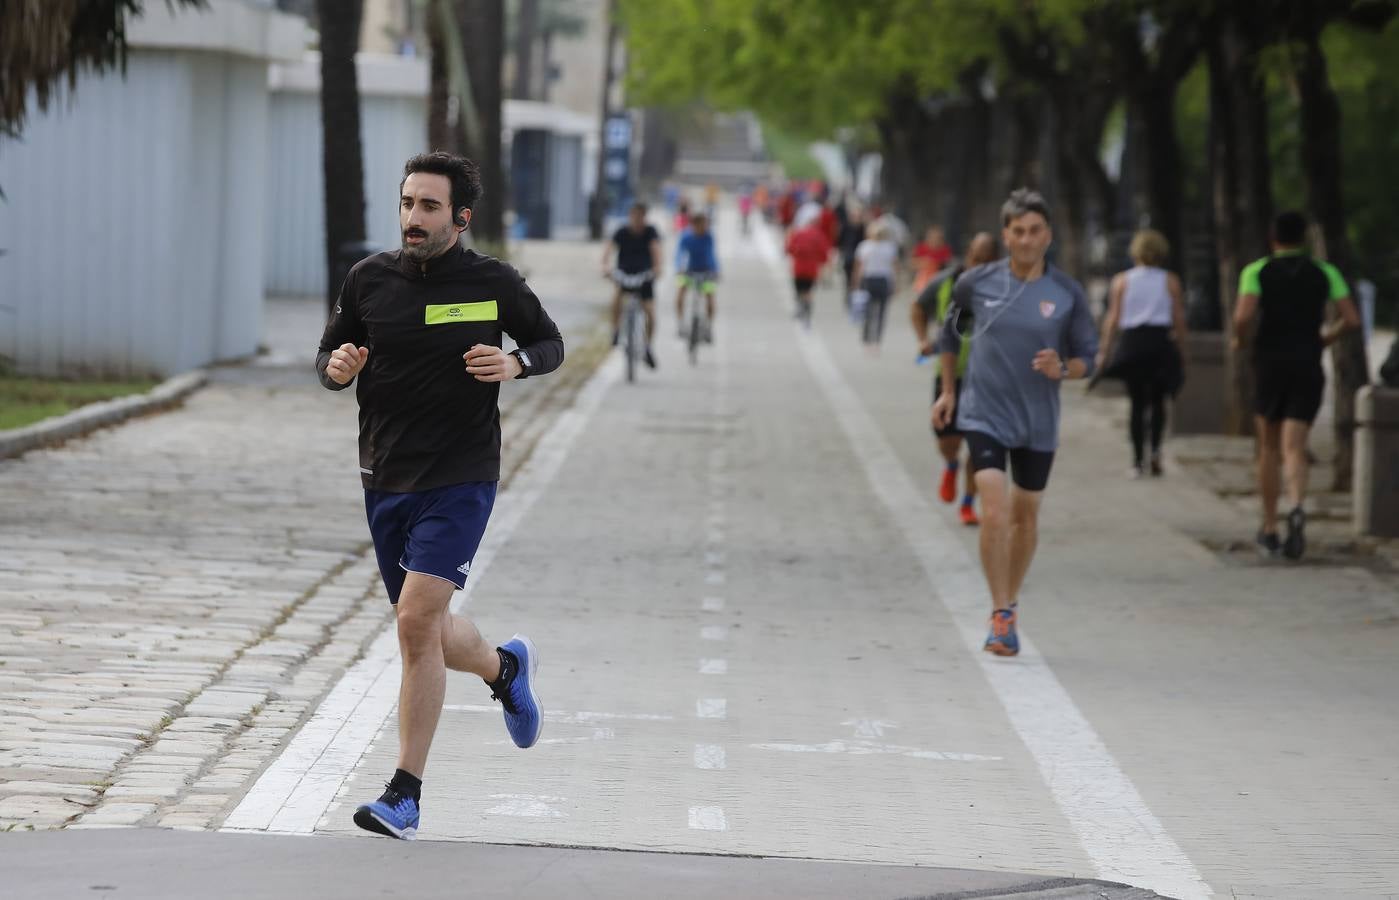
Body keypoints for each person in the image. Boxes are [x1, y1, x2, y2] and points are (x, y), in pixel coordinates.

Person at [317, 151, 562, 839]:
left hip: (460, 475)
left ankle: (405, 794)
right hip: (385, 475)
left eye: (428, 206)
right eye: (406, 204)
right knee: (423, 623)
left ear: (459, 216)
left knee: (414, 623)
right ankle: (504, 667)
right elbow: (330, 355)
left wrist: (513, 362)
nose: (412, 218)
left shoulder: (492, 284)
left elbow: (548, 342)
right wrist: (337, 369)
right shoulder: (369, 280)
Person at [932, 189, 1097, 657]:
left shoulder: (1066, 293)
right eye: (1018, 231)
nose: (1026, 240)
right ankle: (1000, 612)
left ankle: (1012, 600)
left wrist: (1062, 369)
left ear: (1049, 235)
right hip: (984, 412)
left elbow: (1089, 357)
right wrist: (948, 391)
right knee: (995, 511)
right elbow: (950, 333)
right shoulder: (974, 283)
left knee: (1025, 519)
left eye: (1035, 231)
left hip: (1038, 421)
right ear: (1005, 235)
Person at [1232, 210, 1360, 560]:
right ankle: (1298, 505)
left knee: (1269, 447)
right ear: (1303, 239)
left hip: (1270, 363)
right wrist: (1324, 339)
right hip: (1307, 362)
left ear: (1273, 238)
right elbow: (1351, 319)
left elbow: (1243, 316)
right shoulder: (1325, 272)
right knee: (1296, 446)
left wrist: (1241, 341)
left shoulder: (1257, 271)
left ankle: (1270, 525)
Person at [912, 232, 998, 526]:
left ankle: (968, 502)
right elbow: (918, 307)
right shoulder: (946, 281)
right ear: (968, 255)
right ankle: (950, 465)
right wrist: (923, 339)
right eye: (977, 257)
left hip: (987, 378)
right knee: (949, 440)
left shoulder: (1004, 288)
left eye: (988, 260)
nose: (981, 264)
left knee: (978, 444)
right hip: (950, 374)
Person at [1096, 229, 1187, 478]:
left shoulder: (1122, 280)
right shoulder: (1170, 280)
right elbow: (1178, 318)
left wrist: (1104, 350)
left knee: (1136, 403)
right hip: (1159, 341)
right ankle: (1156, 451)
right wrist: (1181, 347)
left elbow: (1113, 317)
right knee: (1158, 401)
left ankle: (1137, 461)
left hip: (1133, 343)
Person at [602, 201, 662, 368]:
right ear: (630, 216)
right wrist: (605, 266)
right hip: (625, 274)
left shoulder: (650, 232)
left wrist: (657, 268)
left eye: (640, 216)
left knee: (650, 312)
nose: (637, 219)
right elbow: (609, 249)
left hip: (644, 276)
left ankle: (648, 346)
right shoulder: (622, 231)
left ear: (644, 217)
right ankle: (615, 331)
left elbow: (656, 251)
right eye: (634, 215)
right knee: (616, 300)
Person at [851, 222, 901, 349]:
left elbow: (859, 267)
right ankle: (876, 341)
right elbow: (895, 267)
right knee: (879, 312)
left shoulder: (865, 246)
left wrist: (856, 282)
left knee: (870, 311)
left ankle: (868, 339)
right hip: (881, 280)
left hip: (870, 279)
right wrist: (896, 284)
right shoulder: (889, 247)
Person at [675, 212, 720, 340]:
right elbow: (679, 254)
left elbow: (711, 254)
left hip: (706, 271)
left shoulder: (708, 237)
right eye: (700, 225)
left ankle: (709, 327)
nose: (703, 227)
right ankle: (680, 323)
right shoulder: (686, 237)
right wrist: (679, 267)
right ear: (693, 225)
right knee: (680, 294)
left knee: (710, 296)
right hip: (688, 271)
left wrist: (715, 270)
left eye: (705, 224)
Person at [786, 216, 832, 327]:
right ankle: (807, 311)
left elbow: (789, 249)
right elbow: (825, 254)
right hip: (812, 268)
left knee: (799, 289)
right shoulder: (819, 236)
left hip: (799, 267)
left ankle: (800, 307)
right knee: (808, 291)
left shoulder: (799, 233)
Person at [838, 202, 867, 311]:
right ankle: (849, 296)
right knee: (849, 279)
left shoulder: (863, 228)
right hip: (849, 257)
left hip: (860, 257)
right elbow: (840, 240)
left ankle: (855, 297)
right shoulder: (846, 226)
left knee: (858, 279)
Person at [912, 226, 954, 294]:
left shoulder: (945, 249)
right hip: (923, 282)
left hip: (940, 280)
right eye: (932, 237)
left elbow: (948, 264)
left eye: (937, 237)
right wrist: (924, 262)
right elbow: (913, 263)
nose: (934, 239)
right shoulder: (921, 247)